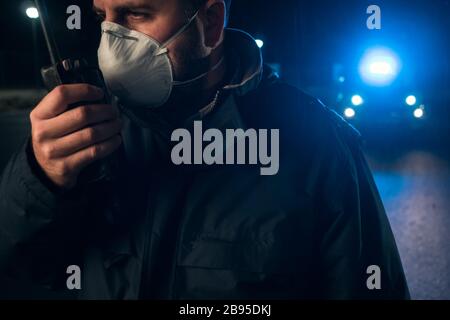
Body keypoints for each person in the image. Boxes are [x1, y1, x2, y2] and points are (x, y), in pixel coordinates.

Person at [0, 0, 409, 299]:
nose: (110, 39)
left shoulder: (317, 142)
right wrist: (39, 179)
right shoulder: (83, 128)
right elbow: (23, 269)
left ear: (210, 22)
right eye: (101, 17)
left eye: (135, 15)